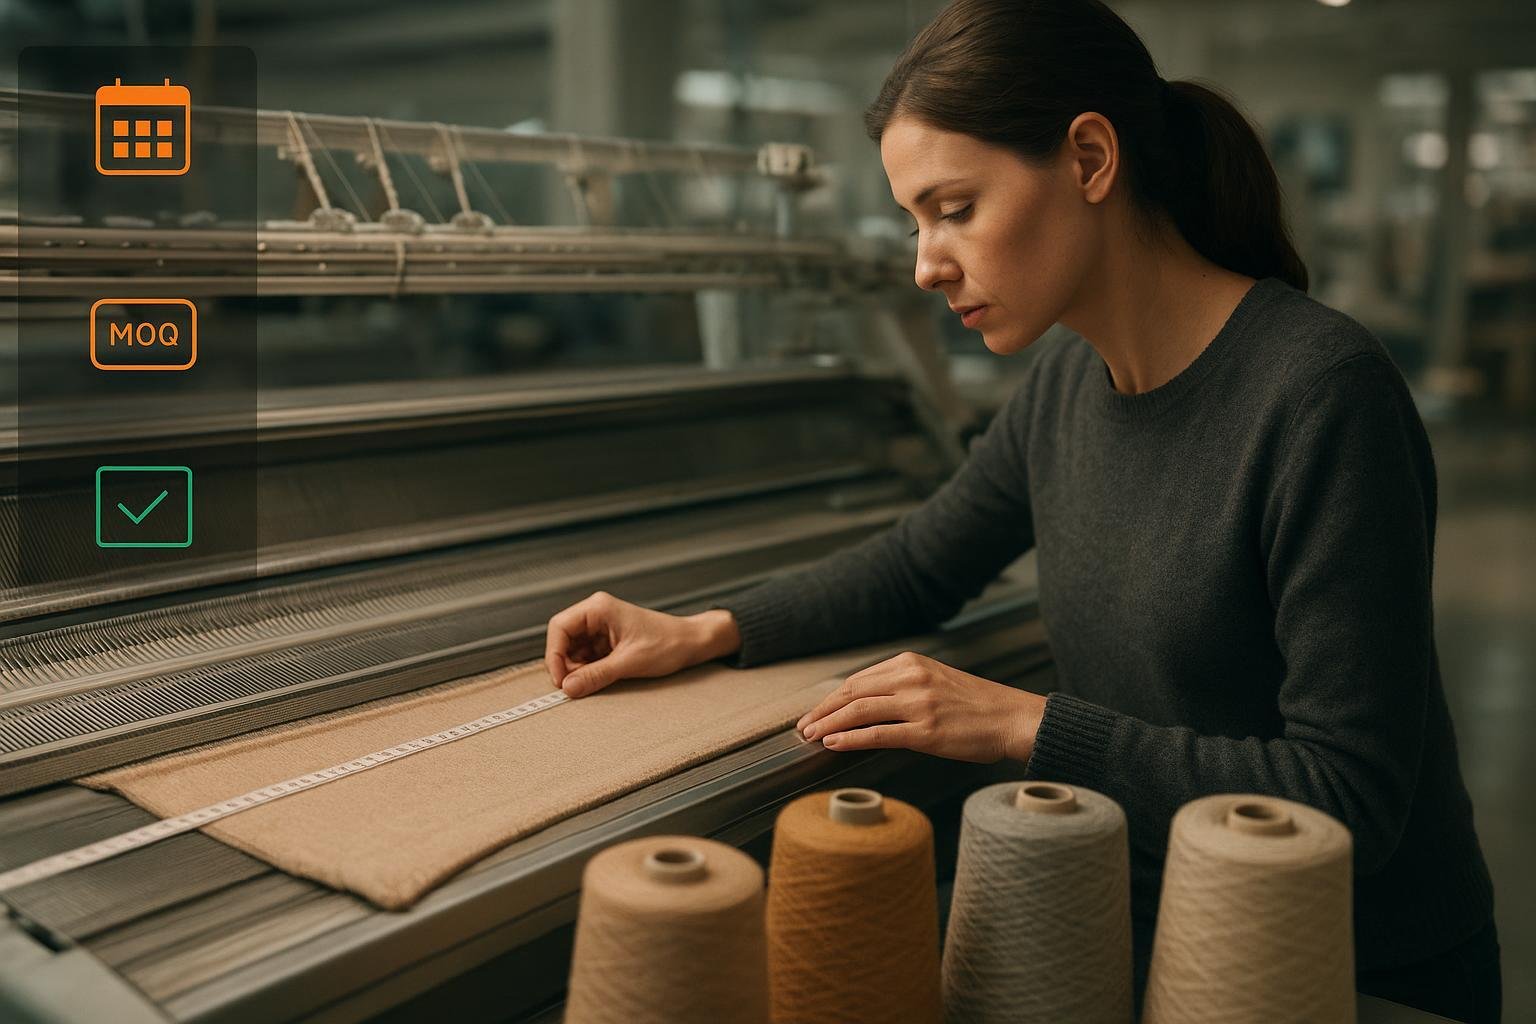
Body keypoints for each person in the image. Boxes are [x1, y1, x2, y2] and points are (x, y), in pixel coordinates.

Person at [543, 0, 1500, 1018]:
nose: (924, 264)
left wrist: (1022, 723)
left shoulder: (1320, 395)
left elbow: (1346, 792)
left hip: (1329, 968)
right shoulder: (1062, 389)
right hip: (1129, 927)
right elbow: (921, 564)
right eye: (915, 222)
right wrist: (703, 629)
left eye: (954, 209)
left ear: (1090, 158)